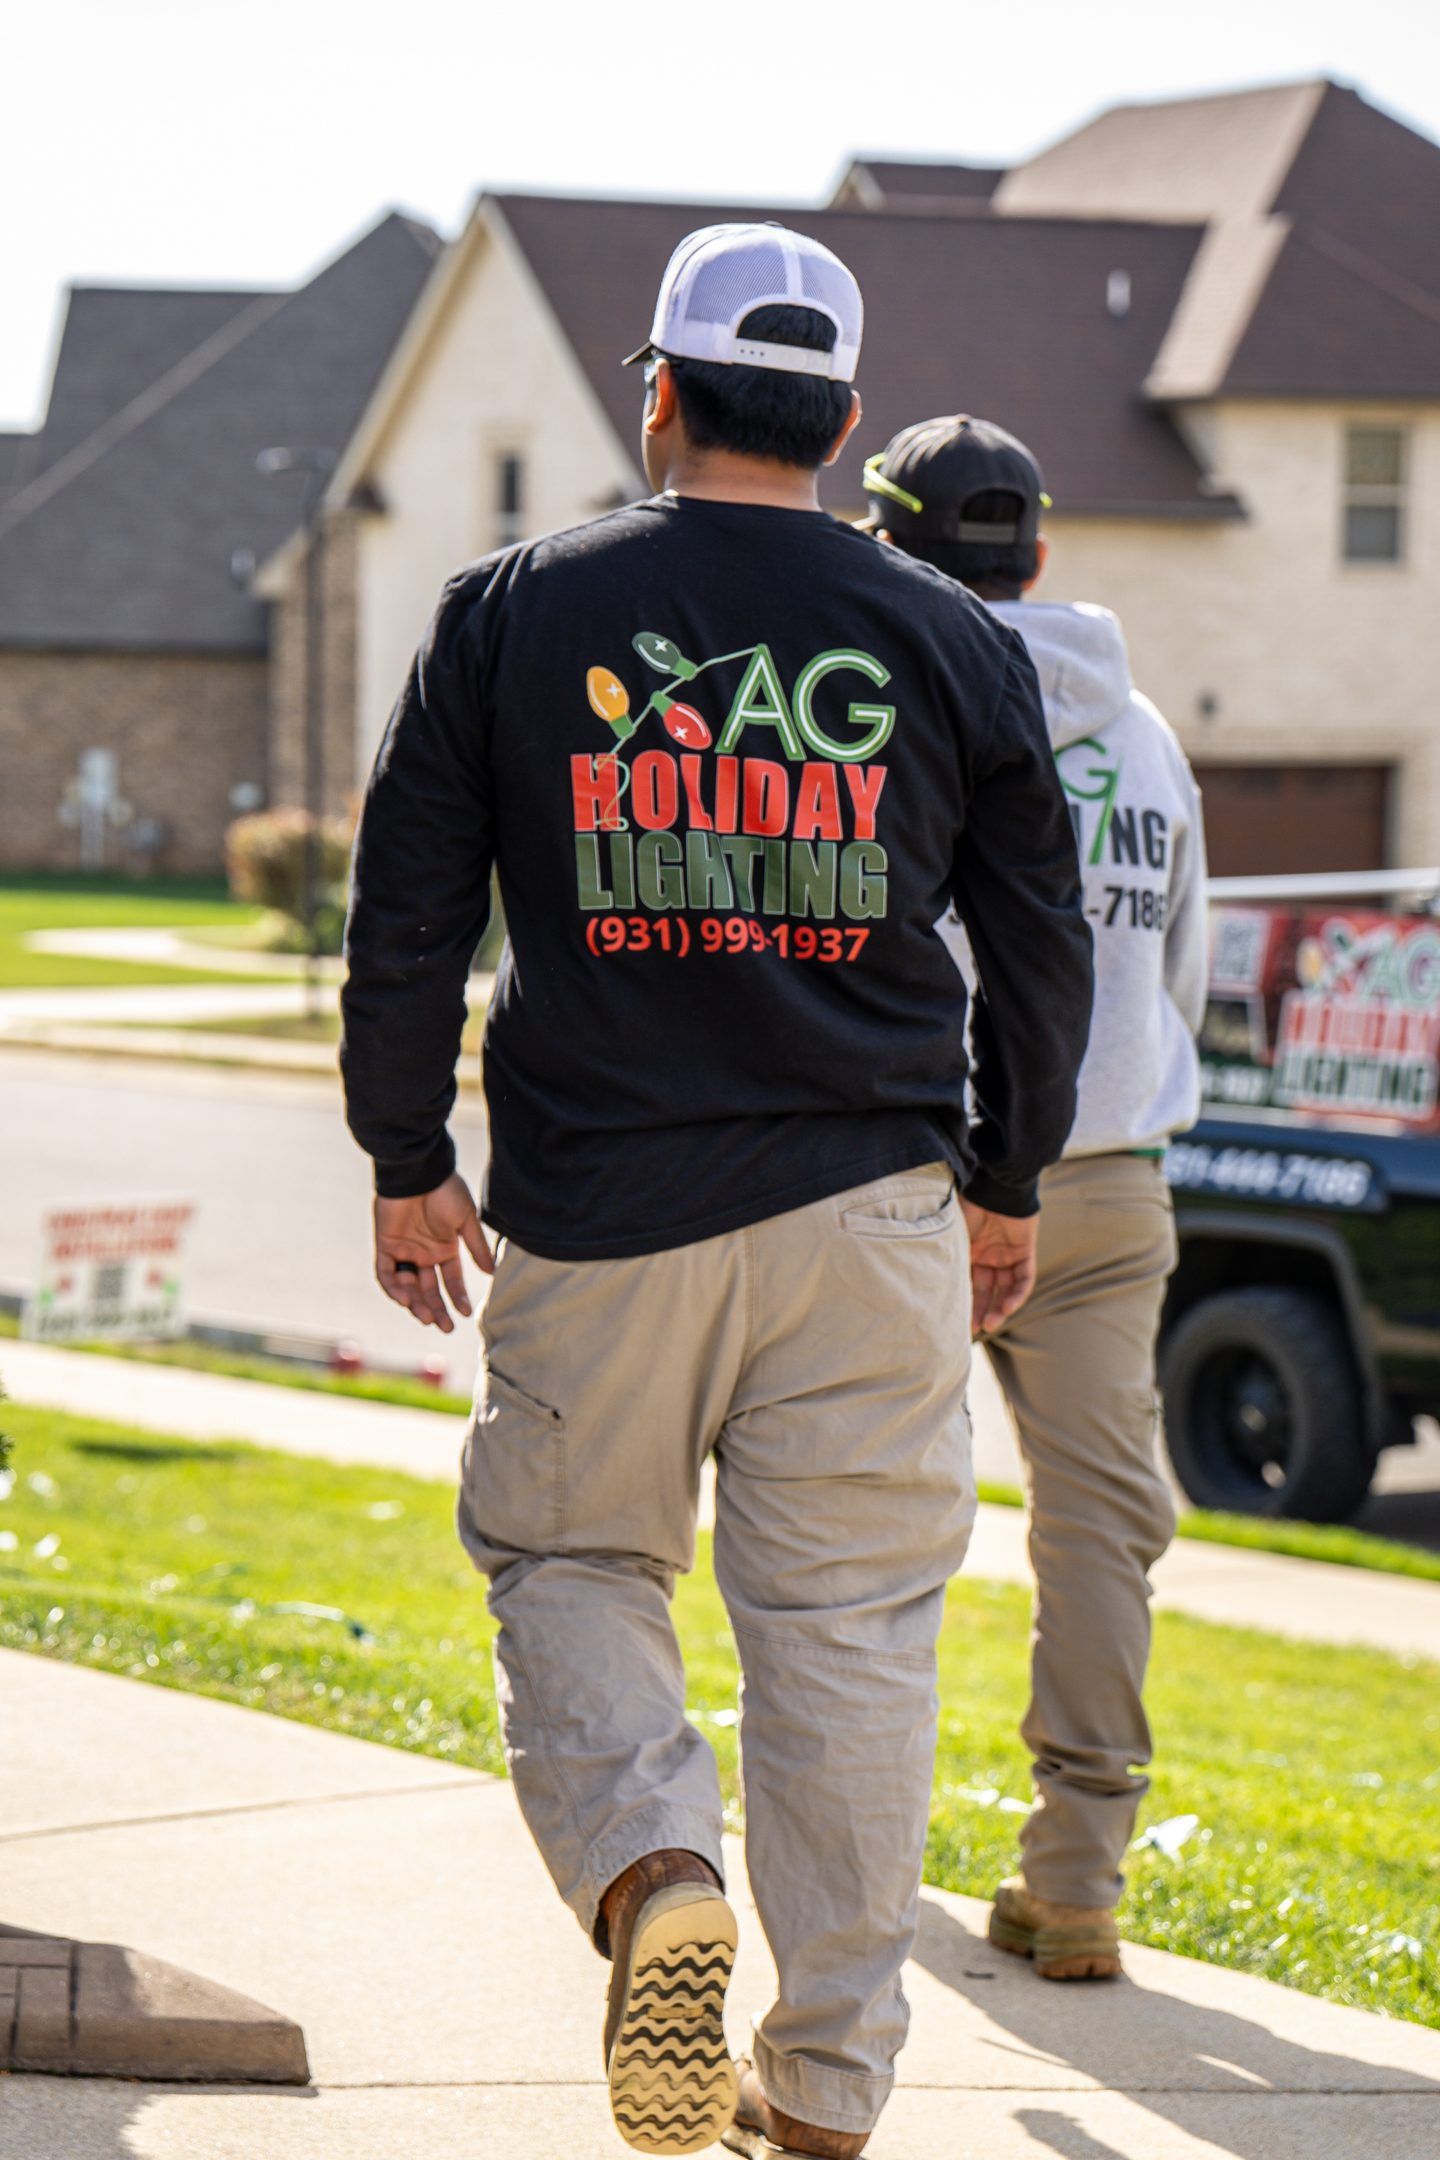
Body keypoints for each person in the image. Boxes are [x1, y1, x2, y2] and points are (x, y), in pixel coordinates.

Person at [341, 234, 1092, 2158]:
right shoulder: (954, 638)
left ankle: (654, 1867)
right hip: (875, 1211)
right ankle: (828, 2081)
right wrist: (1005, 1181)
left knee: (576, 1565)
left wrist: (407, 1158)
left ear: (655, 395)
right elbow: (1041, 948)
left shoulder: (512, 608)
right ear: (844, 427)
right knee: (850, 1633)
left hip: (600, 1218)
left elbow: (410, 908)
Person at [863, 416, 1208, 1984]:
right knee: (1100, 1543)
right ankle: (1076, 1878)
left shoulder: (882, 712)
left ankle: (855, 1848)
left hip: (916, 1178)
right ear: (1043, 557)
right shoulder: (1145, 737)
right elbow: (1179, 967)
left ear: (887, 548)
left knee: (857, 1525)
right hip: (1115, 1181)